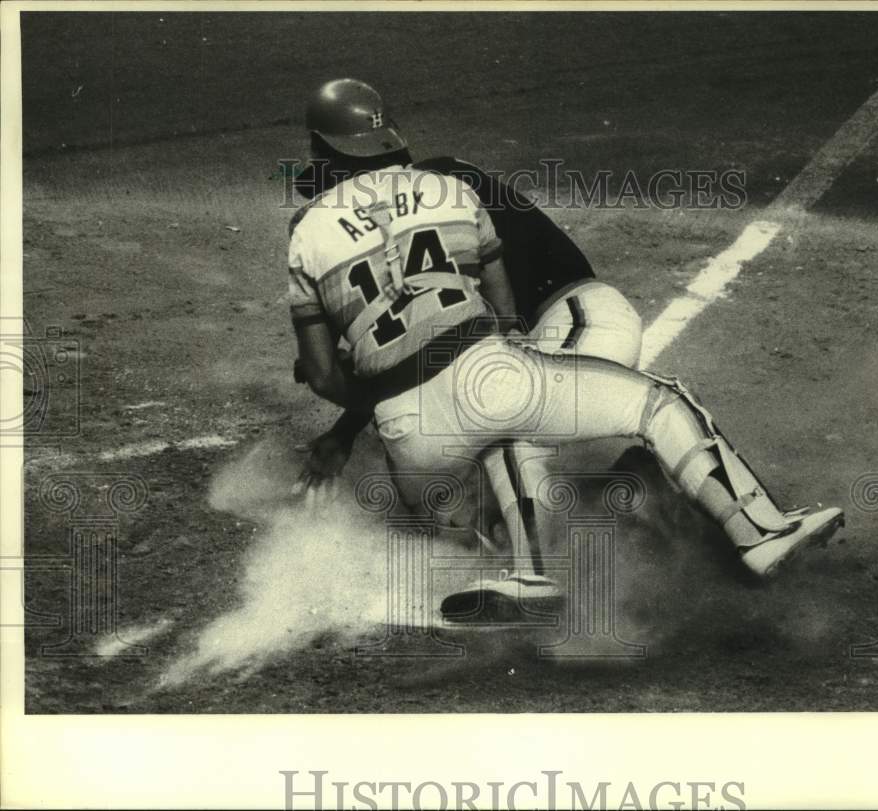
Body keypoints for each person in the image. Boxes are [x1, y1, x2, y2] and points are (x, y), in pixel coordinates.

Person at [287, 78, 844, 619]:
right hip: (492, 369)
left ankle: (551, 554)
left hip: (572, 318)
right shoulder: (449, 191)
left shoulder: (315, 228)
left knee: (491, 461)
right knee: (549, 417)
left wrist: (346, 418)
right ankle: (710, 519)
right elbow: (486, 324)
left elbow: (350, 365)